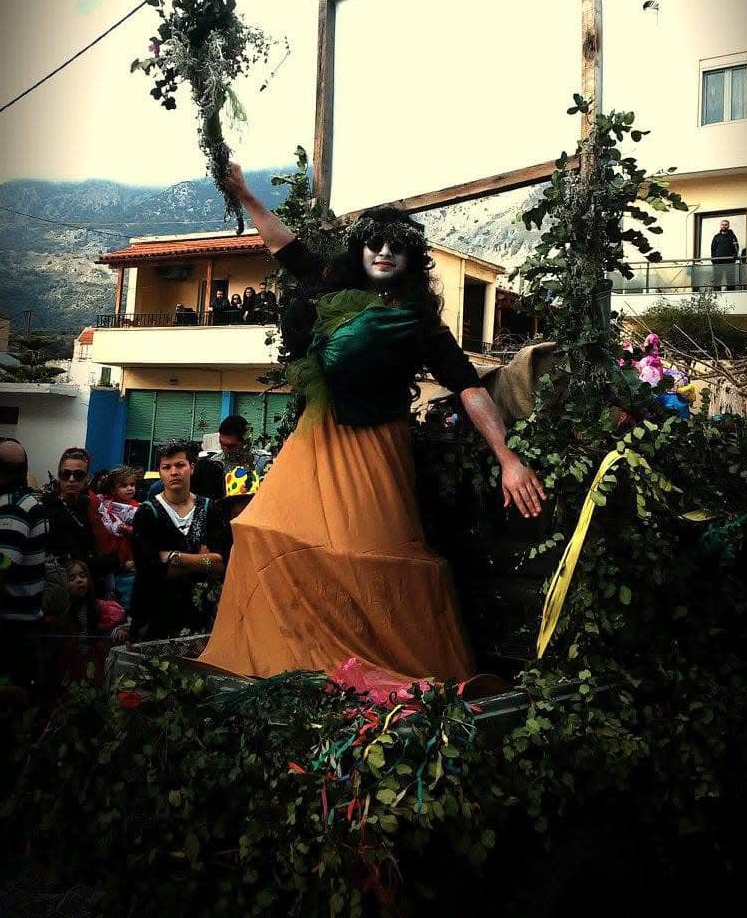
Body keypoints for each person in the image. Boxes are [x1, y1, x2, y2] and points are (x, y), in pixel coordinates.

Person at [196, 164, 545, 683]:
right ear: (359, 251)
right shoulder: (331, 289)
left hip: (376, 449)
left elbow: (469, 387)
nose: (384, 252)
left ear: (410, 258)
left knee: (364, 557)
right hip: (316, 439)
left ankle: (363, 668)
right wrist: (246, 195)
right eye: (374, 244)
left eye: (396, 246)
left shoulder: (420, 322)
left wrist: (507, 457)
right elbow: (284, 246)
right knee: (264, 531)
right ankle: (300, 658)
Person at [131, 440, 227, 641]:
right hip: (158, 616)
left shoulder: (209, 509)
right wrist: (202, 562)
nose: (174, 472)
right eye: (166, 467)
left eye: (180, 465)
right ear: (160, 472)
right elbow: (150, 571)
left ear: (192, 468)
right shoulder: (147, 513)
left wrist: (171, 557)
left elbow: (221, 564)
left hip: (203, 619)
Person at [0, 437, 48, 687]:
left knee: (0, 702)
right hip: (20, 630)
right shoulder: (26, 502)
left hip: (8, 632)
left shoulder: (11, 508)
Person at [44, 447, 120, 597]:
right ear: (59, 476)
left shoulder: (87, 504)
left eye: (78, 475)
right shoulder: (50, 507)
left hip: (89, 585)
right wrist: (115, 560)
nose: (71, 479)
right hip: (65, 587)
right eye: (66, 474)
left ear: (86, 478)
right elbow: (75, 556)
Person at [91, 465, 139, 612]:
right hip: (109, 558)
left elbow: (142, 533)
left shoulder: (138, 508)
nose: (130, 488)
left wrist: (130, 530)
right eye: (124, 485)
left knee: (126, 595)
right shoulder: (105, 505)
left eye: (132, 484)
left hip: (129, 560)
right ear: (112, 489)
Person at [217, 414, 268, 496]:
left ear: (246, 443)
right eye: (221, 444)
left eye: (231, 446)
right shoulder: (215, 464)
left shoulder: (263, 463)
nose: (225, 449)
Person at [710, 219, 740, 290]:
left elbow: (736, 247)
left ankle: (731, 294)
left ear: (728, 226)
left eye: (726, 225)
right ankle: (716, 295)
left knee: (730, 280)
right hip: (718, 262)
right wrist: (713, 259)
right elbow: (713, 249)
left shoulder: (732, 236)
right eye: (722, 225)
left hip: (729, 262)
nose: (724, 226)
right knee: (717, 280)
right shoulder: (716, 237)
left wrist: (734, 256)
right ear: (720, 226)